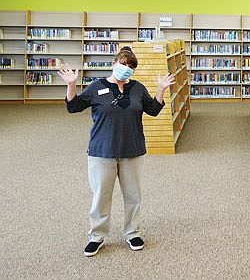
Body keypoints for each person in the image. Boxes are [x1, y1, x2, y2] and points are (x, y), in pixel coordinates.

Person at [57, 46, 175, 257]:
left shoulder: (137, 88)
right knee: (101, 195)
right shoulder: (96, 87)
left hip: (133, 149)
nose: (126, 68)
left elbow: (154, 110)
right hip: (102, 150)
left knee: (133, 195)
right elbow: (73, 106)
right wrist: (71, 85)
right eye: (123, 64)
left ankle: (132, 232)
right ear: (113, 64)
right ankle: (97, 236)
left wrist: (161, 89)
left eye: (131, 66)